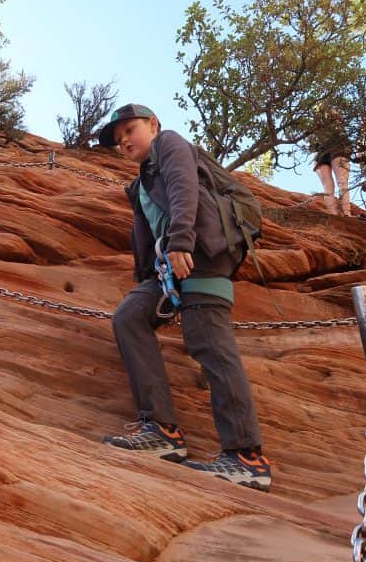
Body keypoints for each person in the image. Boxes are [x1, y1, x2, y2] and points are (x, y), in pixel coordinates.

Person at [96, 103, 272, 492]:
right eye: (118, 137)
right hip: (171, 269)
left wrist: (180, 240)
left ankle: (246, 457)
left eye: (130, 129)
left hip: (202, 254)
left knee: (208, 340)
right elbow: (145, 237)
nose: (124, 140)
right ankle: (161, 432)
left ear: (153, 125)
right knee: (130, 316)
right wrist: (151, 281)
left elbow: (183, 187)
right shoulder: (139, 185)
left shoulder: (171, 144)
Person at [308, 105, 351, 215]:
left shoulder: (319, 128)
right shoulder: (336, 126)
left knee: (335, 183)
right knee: (338, 183)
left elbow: (310, 145)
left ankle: (341, 213)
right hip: (329, 150)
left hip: (328, 150)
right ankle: (342, 213)